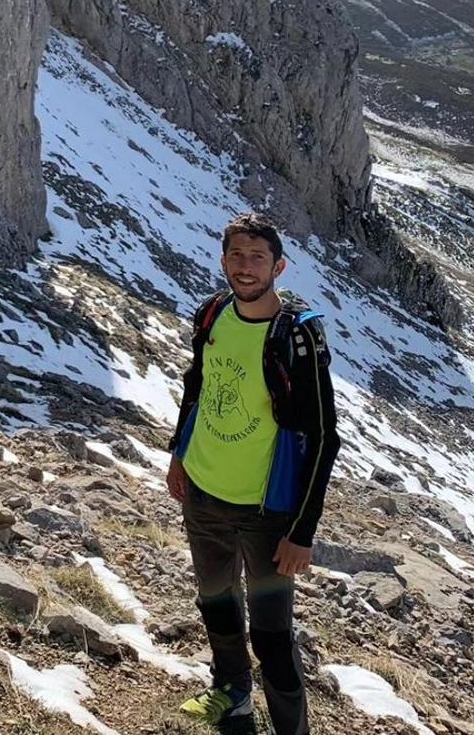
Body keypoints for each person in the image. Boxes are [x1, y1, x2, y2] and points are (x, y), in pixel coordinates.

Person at [168, 213, 340, 735]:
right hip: (203, 493)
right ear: (224, 261)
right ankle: (233, 703)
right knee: (217, 609)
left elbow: (325, 437)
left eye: (257, 258)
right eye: (237, 256)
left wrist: (301, 533)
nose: (246, 267)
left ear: (278, 266)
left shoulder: (299, 336)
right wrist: (179, 452)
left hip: (265, 511)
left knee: (271, 637)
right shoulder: (213, 314)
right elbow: (197, 386)